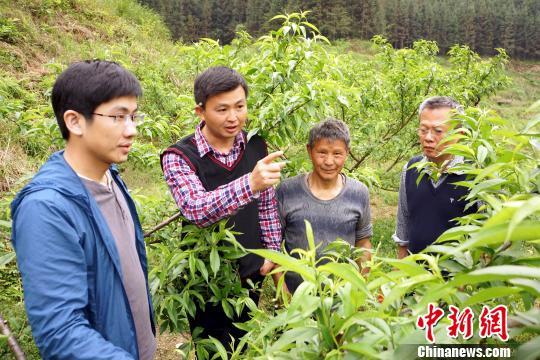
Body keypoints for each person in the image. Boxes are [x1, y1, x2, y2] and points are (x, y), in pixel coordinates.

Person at [10, 60, 156, 359]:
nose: (131, 130)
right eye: (117, 116)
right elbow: (60, 332)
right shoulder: (47, 209)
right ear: (75, 121)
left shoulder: (110, 177)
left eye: (133, 116)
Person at [161, 66, 285, 347]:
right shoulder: (179, 156)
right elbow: (196, 208)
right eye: (222, 109)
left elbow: (266, 205)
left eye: (240, 106)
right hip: (205, 277)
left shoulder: (256, 145)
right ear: (200, 111)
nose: (234, 117)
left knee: (243, 344)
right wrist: (249, 183)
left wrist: (272, 252)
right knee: (211, 347)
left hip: (252, 269)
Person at [276, 119, 373, 293]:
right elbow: (274, 246)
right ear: (309, 151)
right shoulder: (287, 190)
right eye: (322, 153)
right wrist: (283, 295)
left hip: (342, 297)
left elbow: (363, 243)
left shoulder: (359, 193)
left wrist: (361, 290)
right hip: (296, 300)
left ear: (347, 153)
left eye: (337, 154)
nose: (329, 161)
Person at [393, 96, 475, 258]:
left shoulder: (475, 174)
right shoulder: (411, 169)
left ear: (459, 134)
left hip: (458, 278)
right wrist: (400, 271)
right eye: (423, 130)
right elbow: (404, 228)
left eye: (438, 131)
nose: (428, 138)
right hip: (415, 275)